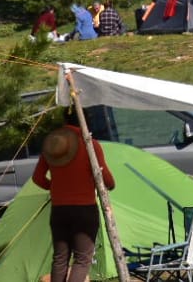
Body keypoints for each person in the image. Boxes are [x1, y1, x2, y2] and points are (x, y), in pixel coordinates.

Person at [33, 118, 115, 282]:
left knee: (60, 258)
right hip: (84, 209)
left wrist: (56, 189)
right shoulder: (90, 145)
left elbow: (37, 178)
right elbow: (108, 180)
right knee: (82, 259)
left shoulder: (53, 145)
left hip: (59, 210)